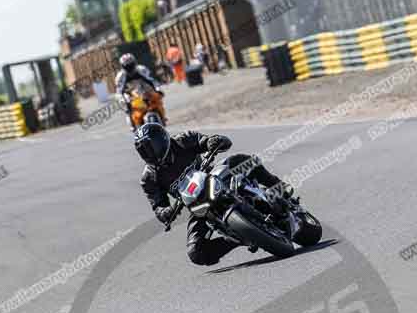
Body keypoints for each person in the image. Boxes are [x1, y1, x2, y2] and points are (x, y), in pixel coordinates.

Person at [134, 123, 294, 266]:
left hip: (214, 177)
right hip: (196, 204)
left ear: (162, 139)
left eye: (151, 146)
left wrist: (212, 141)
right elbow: (158, 206)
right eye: (144, 150)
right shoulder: (149, 178)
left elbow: (203, 140)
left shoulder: (182, 140)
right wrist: (165, 212)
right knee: (196, 252)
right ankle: (238, 237)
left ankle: (278, 187)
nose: (151, 153)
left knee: (242, 160)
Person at [115, 53, 165, 131]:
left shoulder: (142, 69)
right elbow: (119, 91)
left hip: (144, 89)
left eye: (131, 65)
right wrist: (124, 100)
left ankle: (162, 116)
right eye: (127, 66)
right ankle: (133, 124)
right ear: (123, 66)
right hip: (130, 93)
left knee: (157, 96)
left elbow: (152, 81)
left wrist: (158, 89)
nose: (130, 68)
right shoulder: (120, 76)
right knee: (126, 105)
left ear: (135, 63)